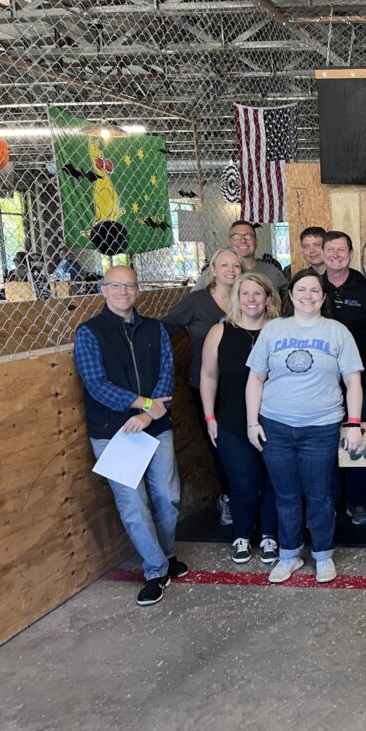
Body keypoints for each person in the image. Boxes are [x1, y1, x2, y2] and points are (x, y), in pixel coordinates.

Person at [73, 265, 188, 606]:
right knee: (133, 505)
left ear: (138, 291)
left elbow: (167, 371)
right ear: (104, 290)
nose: (124, 292)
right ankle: (155, 570)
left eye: (130, 286)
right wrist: (144, 404)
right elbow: (96, 385)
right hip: (115, 433)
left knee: (168, 497)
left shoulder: (155, 329)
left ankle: (164, 556)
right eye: (116, 286)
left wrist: (150, 412)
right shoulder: (90, 333)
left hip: (155, 427)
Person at [245, 268, 364, 585]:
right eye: (302, 289)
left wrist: (354, 423)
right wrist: (252, 421)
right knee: (285, 495)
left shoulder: (337, 331)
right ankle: (289, 555)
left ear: (323, 297)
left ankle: (323, 555)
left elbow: (353, 381)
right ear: (291, 294)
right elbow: (255, 378)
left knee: (320, 495)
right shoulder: (273, 330)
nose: (308, 295)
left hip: (321, 426)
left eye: (315, 290)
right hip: (276, 426)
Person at [200, 271, 281, 565]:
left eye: (257, 293)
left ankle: (270, 535)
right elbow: (208, 376)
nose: (251, 299)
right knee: (243, 482)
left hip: (275, 421)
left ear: (268, 298)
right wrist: (210, 416)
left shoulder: (280, 331)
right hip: (232, 421)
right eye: (245, 293)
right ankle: (242, 535)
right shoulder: (219, 333)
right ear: (237, 298)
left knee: (274, 481)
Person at [163, 248, 242, 526]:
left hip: (244, 386)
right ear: (213, 270)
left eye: (236, 265)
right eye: (224, 265)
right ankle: (229, 498)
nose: (231, 270)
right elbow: (166, 327)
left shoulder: (248, 298)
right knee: (220, 444)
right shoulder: (196, 302)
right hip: (205, 385)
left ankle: (248, 497)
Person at [315, 228, 366, 527]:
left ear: (351, 254)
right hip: (318, 386)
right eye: (330, 250)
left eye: (341, 250)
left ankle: (356, 503)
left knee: (355, 443)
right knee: (325, 446)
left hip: (359, 383)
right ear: (322, 254)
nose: (335, 255)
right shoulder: (311, 288)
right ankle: (328, 501)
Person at [197, 221, 288, 299]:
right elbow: (193, 301)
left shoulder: (272, 271)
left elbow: (289, 302)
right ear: (229, 242)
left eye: (248, 236)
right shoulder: (215, 273)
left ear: (256, 241)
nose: (243, 240)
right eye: (236, 237)